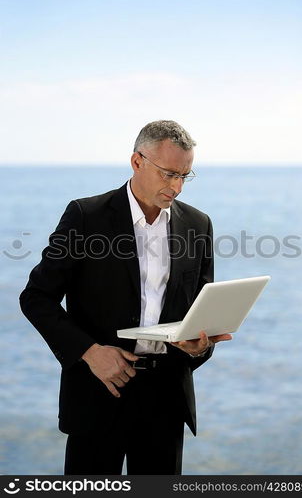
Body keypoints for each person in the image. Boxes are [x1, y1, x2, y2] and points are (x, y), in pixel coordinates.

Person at [20, 120, 232, 475]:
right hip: (100, 391)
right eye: (168, 174)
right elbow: (36, 297)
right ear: (137, 162)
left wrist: (201, 346)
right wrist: (90, 352)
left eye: (185, 175)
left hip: (167, 398)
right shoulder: (86, 217)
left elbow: (199, 308)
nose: (177, 187)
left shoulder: (198, 224)